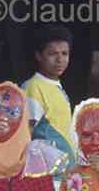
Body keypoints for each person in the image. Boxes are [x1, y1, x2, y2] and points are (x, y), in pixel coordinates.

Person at [22, 26, 77, 178]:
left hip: (64, 176)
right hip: (47, 178)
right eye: (52, 54)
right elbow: (24, 134)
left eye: (64, 53)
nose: (60, 60)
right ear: (39, 56)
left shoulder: (56, 86)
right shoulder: (33, 87)